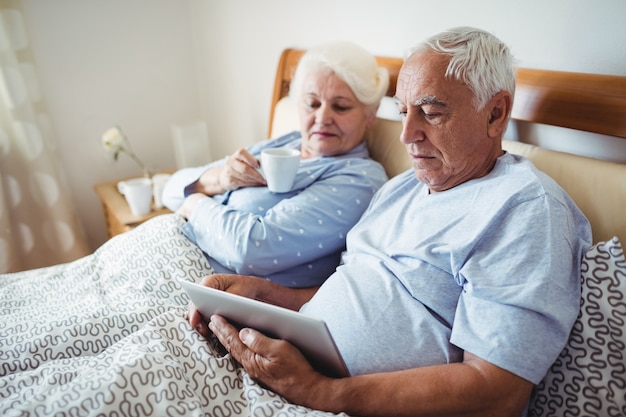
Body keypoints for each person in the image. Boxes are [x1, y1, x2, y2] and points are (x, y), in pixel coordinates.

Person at [192, 27, 592, 416]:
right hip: (299, 378)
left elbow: (495, 390)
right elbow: (353, 295)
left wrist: (324, 393)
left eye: (432, 112)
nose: (406, 134)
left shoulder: (522, 209)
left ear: (496, 113)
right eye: (403, 111)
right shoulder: (402, 188)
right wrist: (262, 297)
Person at [162, 42, 389, 287]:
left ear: (370, 114)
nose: (322, 118)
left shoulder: (360, 178)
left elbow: (252, 249)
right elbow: (170, 191)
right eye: (312, 104)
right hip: (164, 255)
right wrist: (219, 180)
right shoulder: (286, 143)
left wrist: (195, 204)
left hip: (199, 287)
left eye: (340, 106)